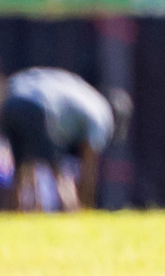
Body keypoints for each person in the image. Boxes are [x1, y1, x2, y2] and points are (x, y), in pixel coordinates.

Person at [0, 65, 127, 212]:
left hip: (9, 103)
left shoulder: (85, 93)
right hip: (38, 107)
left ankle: (16, 215)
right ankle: (71, 214)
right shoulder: (102, 114)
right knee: (58, 173)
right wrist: (87, 204)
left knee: (20, 170)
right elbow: (89, 168)